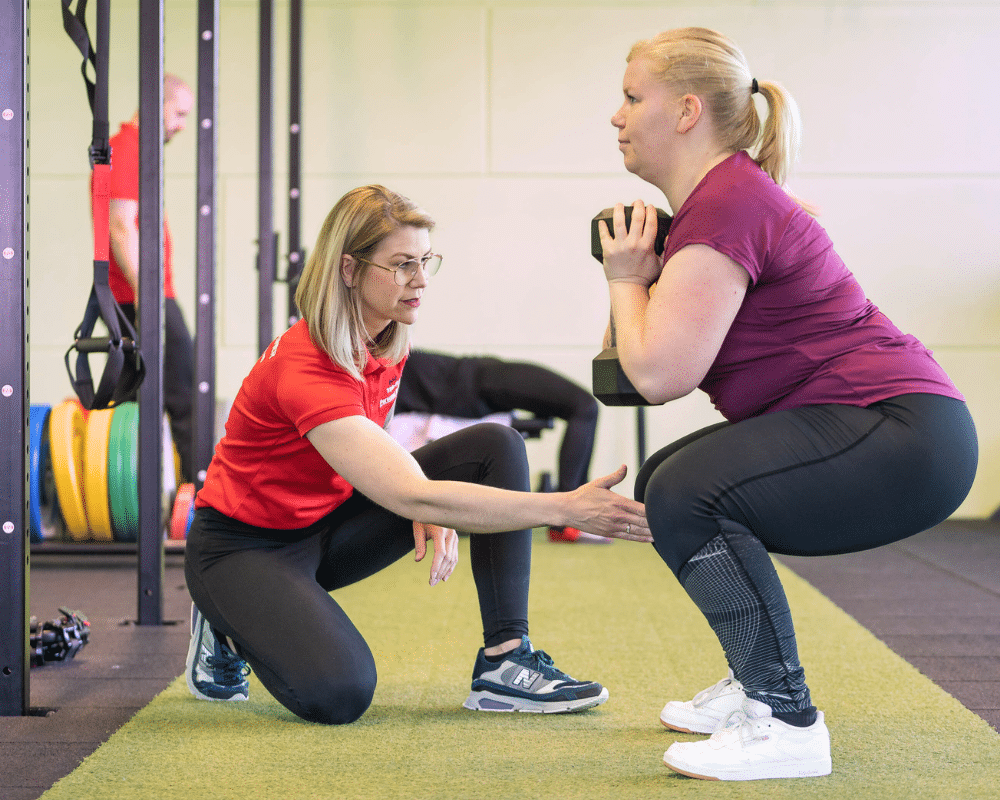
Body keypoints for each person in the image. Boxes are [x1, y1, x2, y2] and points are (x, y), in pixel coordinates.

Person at [598, 27, 977, 781]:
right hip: (884, 426)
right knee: (670, 475)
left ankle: (786, 720)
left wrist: (623, 277)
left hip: (903, 431)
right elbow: (623, 375)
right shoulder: (727, 198)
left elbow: (658, 375)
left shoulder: (729, 203)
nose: (617, 116)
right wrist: (638, 275)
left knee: (686, 491)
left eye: (632, 97)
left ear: (685, 112)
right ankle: (753, 681)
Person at [183, 185, 652, 725]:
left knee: (496, 445)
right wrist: (562, 507)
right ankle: (224, 618)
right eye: (403, 264)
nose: (421, 280)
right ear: (349, 270)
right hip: (242, 548)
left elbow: (381, 456)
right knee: (340, 693)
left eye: (425, 260)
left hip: (324, 526)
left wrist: (422, 497)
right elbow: (409, 492)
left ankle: (504, 662)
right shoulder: (305, 366)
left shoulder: (385, 337)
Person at [93, 73, 196, 482]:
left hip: (138, 295)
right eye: (179, 114)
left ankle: (160, 502)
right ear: (157, 105)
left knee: (144, 400)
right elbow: (121, 226)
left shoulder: (136, 150)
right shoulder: (127, 149)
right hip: (139, 297)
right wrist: (147, 297)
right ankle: (198, 502)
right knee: (186, 397)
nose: (182, 126)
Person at [393, 349, 608, 542]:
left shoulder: (391, 369)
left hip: (484, 378)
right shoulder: (387, 382)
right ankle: (571, 518)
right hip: (482, 382)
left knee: (585, 407)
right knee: (585, 407)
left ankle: (574, 514)